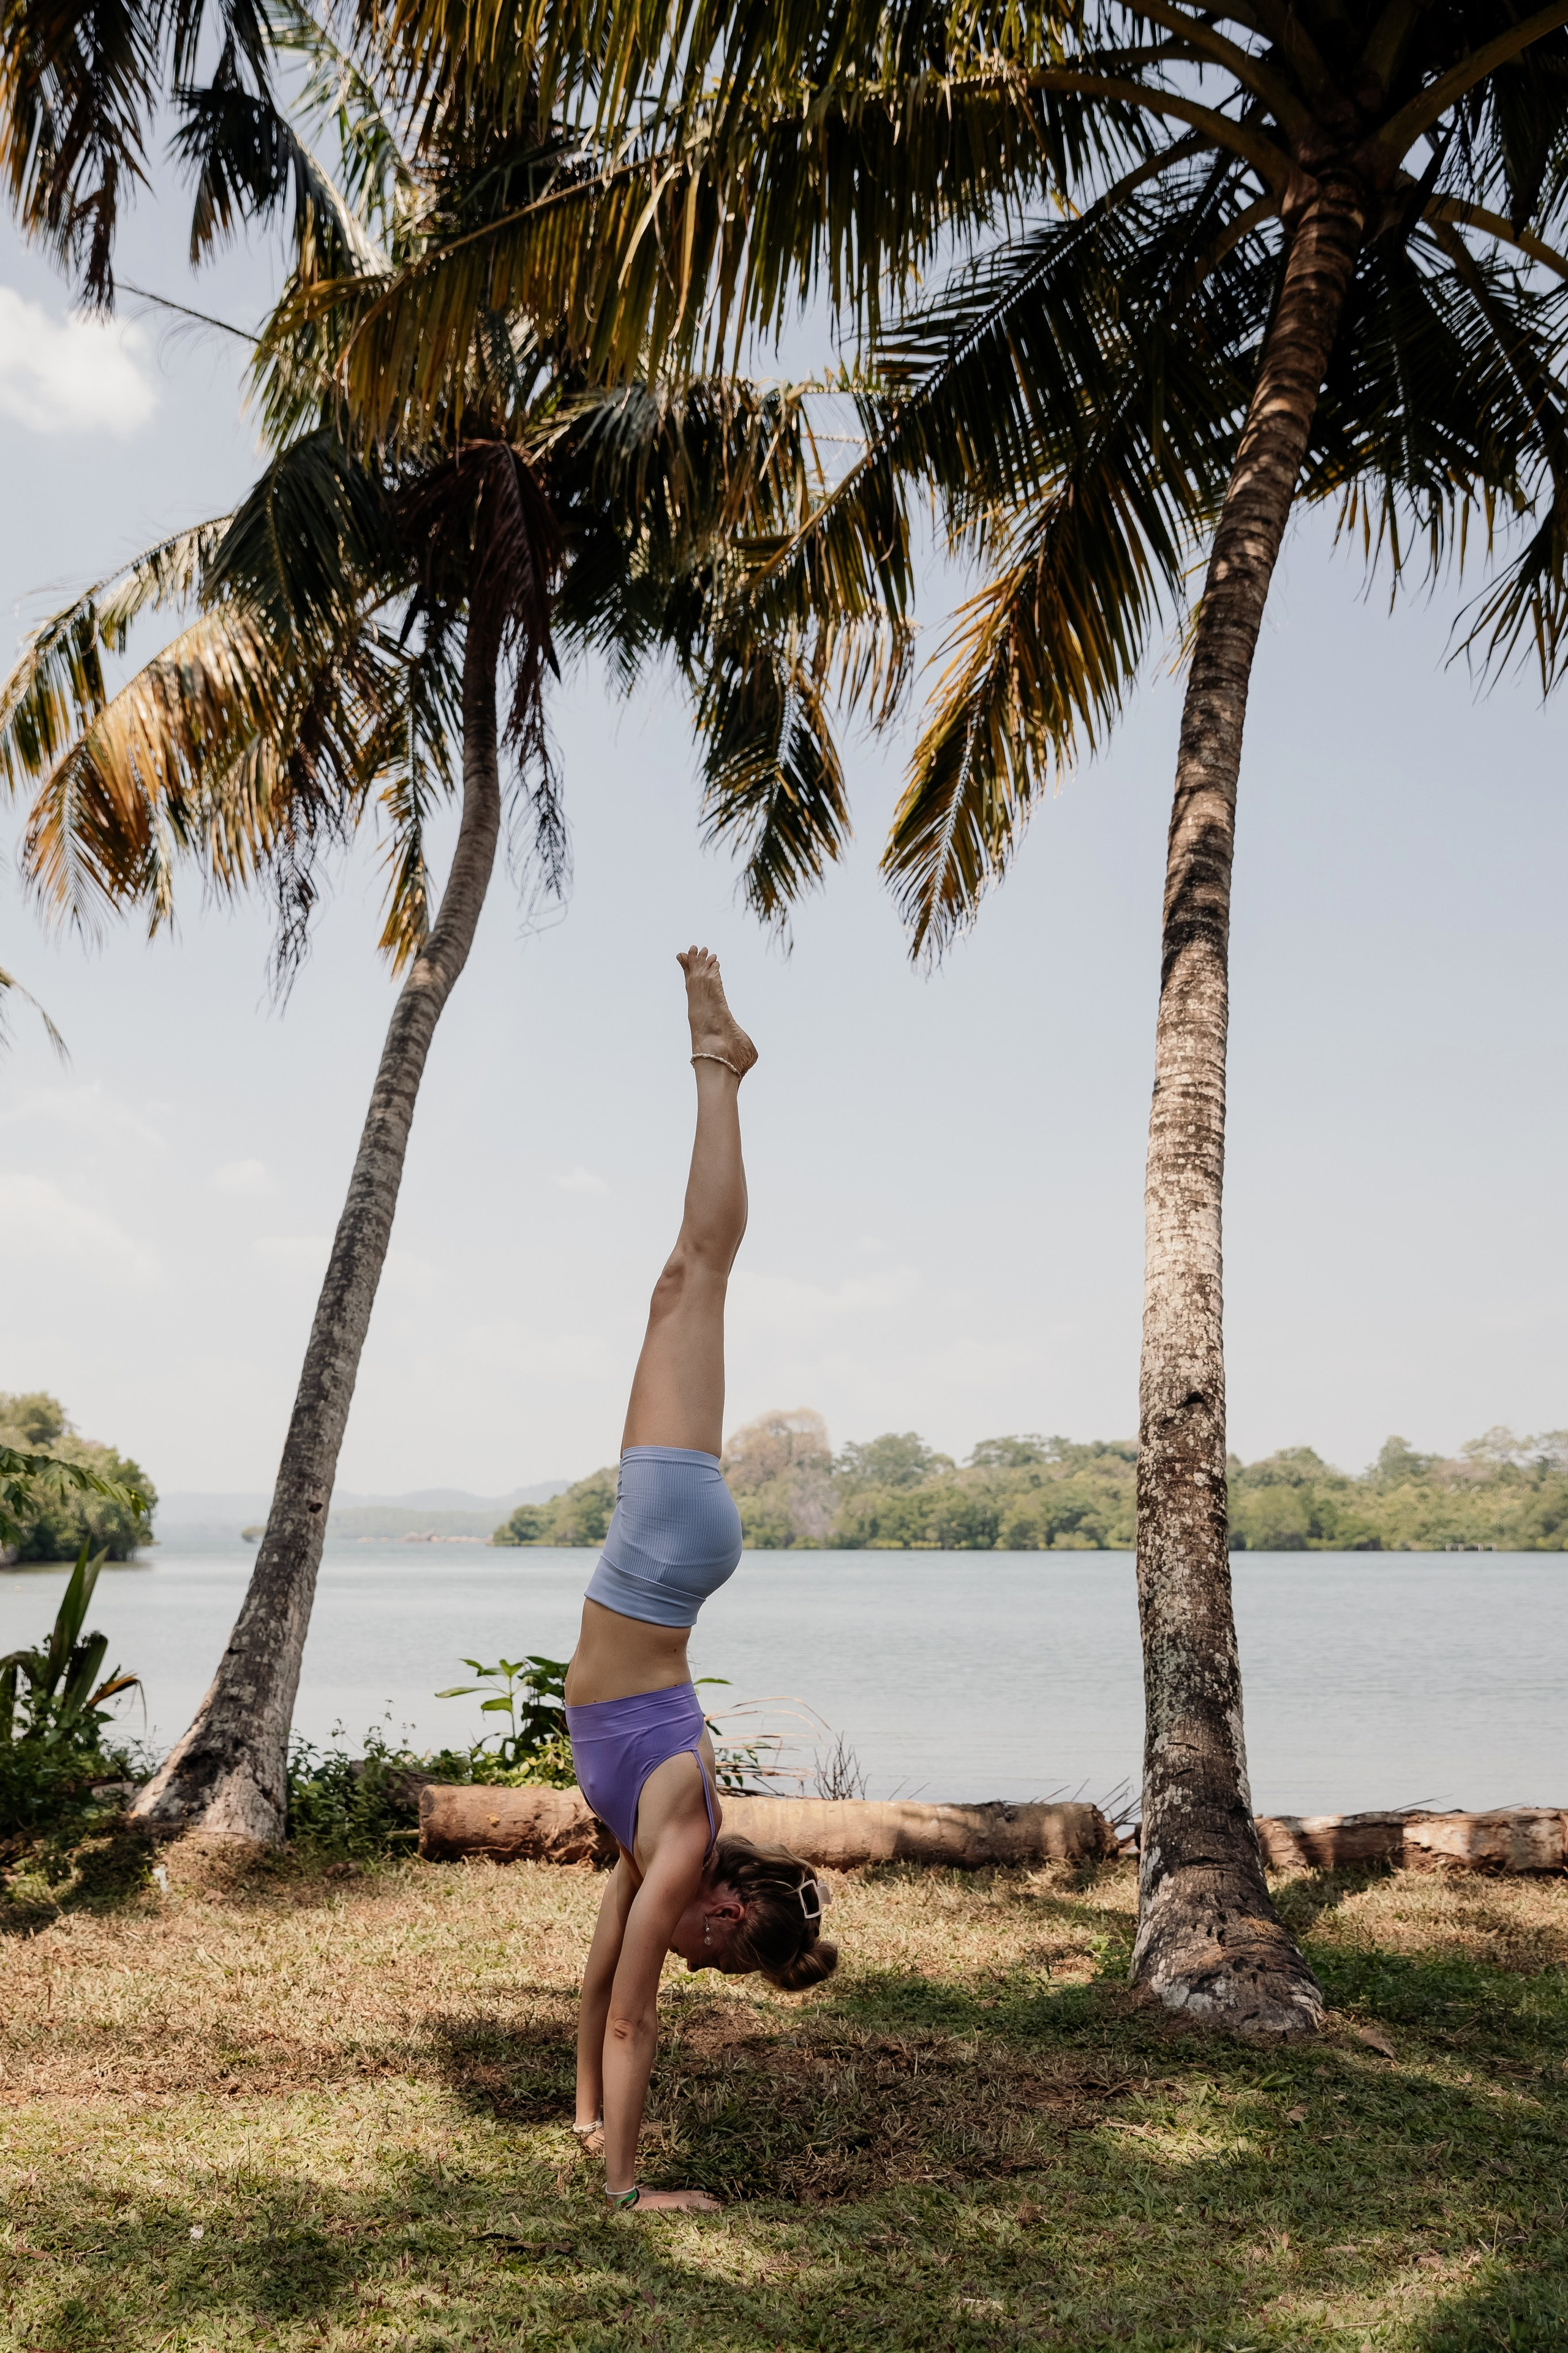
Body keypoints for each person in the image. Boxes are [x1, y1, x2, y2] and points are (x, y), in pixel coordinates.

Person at [564, 947, 837, 2213]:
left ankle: (719, 1066)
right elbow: (635, 2016)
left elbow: (598, 1980)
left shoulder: (664, 1848)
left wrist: (584, 2118)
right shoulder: (681, 1844)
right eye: (711, 1955)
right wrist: (632, 2193)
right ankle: (718, 1064)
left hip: (662, 1551)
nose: (682, 1956)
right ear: (724, 1912)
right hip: (665, 1545)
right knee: (695, 1271)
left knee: (678, 1280)